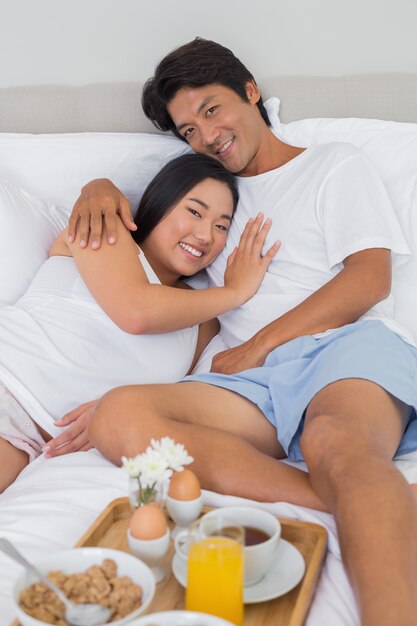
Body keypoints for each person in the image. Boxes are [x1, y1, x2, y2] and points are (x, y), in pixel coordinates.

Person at [69, 39, 417, 626]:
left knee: (336, 445)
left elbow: (369, 279)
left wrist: (256, 346)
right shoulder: (206, 193)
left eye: (211, 110)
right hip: (253, 385)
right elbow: (140, 223)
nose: (206, 136)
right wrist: (94, 186)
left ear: (251, 92)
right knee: (117, 415)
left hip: (343, 349)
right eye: (187, 130)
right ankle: (354, 499)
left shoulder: (332, 163)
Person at [0, 152, 279, 493]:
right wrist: (236, 291)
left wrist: (113, 410)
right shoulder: (105, 230)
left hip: (30, 439)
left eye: (221, 226)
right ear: (161, 202)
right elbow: (136, 313)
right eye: (194, 212)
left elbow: (182, 400)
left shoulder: (205, 324)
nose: (206, 235)